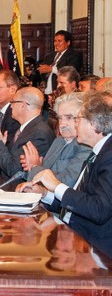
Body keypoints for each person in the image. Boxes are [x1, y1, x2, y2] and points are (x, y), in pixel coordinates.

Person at [22, 91, 112, 257]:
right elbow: (79, 202)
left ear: (93, 124)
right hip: (76, 232)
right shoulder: (98, 152)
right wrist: (45, 194)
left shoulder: (108, 156)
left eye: (77, 120)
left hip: (96, 250)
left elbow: (98, 210)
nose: (74, 125)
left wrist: (56, 186)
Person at [17, 92, 92, 187]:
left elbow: (66, 182)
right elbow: (42, 174)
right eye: (60, 118)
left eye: (69, 117)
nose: (62, 124)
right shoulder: (59, 141)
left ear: (84, 118)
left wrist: (34, 167)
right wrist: (30, 168)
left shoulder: (86, 146)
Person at [0, 87, 55, 178]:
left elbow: (15, 171)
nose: (11, 106)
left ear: (23, 105)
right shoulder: (24, 128)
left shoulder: (39, 134)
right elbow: (4, 164)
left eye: (12, 102)